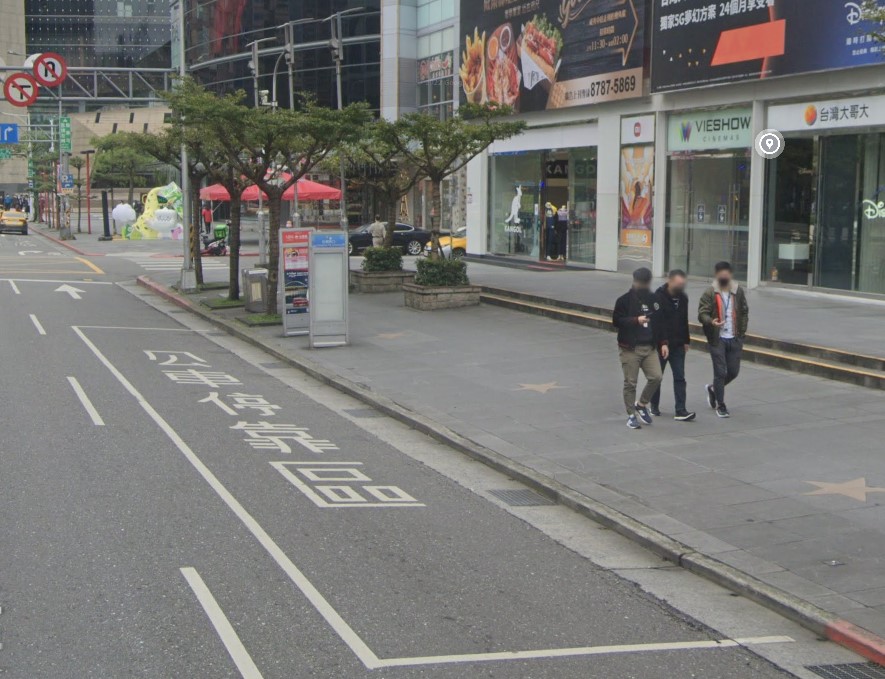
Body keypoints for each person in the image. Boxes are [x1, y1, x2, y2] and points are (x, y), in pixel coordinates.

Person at [612, 267, 667, 430]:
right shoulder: (624, 300)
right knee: (630, 383)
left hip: (649, 347)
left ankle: (642, 404)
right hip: (630, 348)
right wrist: (636, 320)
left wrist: (663, 342)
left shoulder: (654, 300)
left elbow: (661, 322)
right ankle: (631, 415)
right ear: (635, 281)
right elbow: (617, 321)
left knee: (656, 376)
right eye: (640, 282)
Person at [698, 261, 749, 418]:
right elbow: (702, 313)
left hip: (734, 337)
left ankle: (713, 389)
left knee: (733, 372)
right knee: (720, 372)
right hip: (717, 338)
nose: (724, 276)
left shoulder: (737, 291)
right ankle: (721, 404)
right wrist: (711, 321)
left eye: (726, 273)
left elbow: (744, 311)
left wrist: (741, 333)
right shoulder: (710, 292)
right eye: (721, 273)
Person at [650, 270, 696, 421]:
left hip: (677, 345)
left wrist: (686, 340)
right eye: (678, 283)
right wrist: (662, 343)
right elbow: (657, 323)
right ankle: (654, 405)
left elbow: (684, 320)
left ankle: (681, 410)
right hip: (661, 345)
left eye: (682, 284)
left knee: (680, 377)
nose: (680, 286)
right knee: (657, 377)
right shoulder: (658, 297)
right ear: (670, 281)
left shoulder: (683, 297)